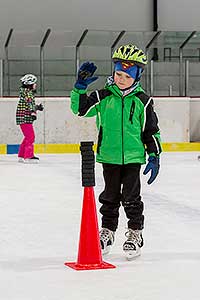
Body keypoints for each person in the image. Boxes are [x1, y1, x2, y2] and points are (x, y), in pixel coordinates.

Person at [70, 44, 162, 260]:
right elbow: (80, 110)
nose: (121, 79)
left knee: (131, 198)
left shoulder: (143, 101)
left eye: (127, 76)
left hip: (132, 159)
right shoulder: (103, 97)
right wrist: (79, 88)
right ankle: (107, 232)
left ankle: (135, 234)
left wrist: (154, 155)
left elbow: (151, 130)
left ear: (137, 76)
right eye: (118, 74)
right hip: (109, 157)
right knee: (109, 198)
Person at [16, 74, 44, 163]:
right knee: (31, 137)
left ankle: (21, 155)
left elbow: (28, 103)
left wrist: (36, 108)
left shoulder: (26, 92)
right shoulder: (28, 93)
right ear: (29, 84)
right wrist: (33, 112)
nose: (35, 85)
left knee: (27, 136)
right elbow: (29, 103)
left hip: (23, 116)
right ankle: (28, 156)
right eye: (34, 83)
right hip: (25, 117)